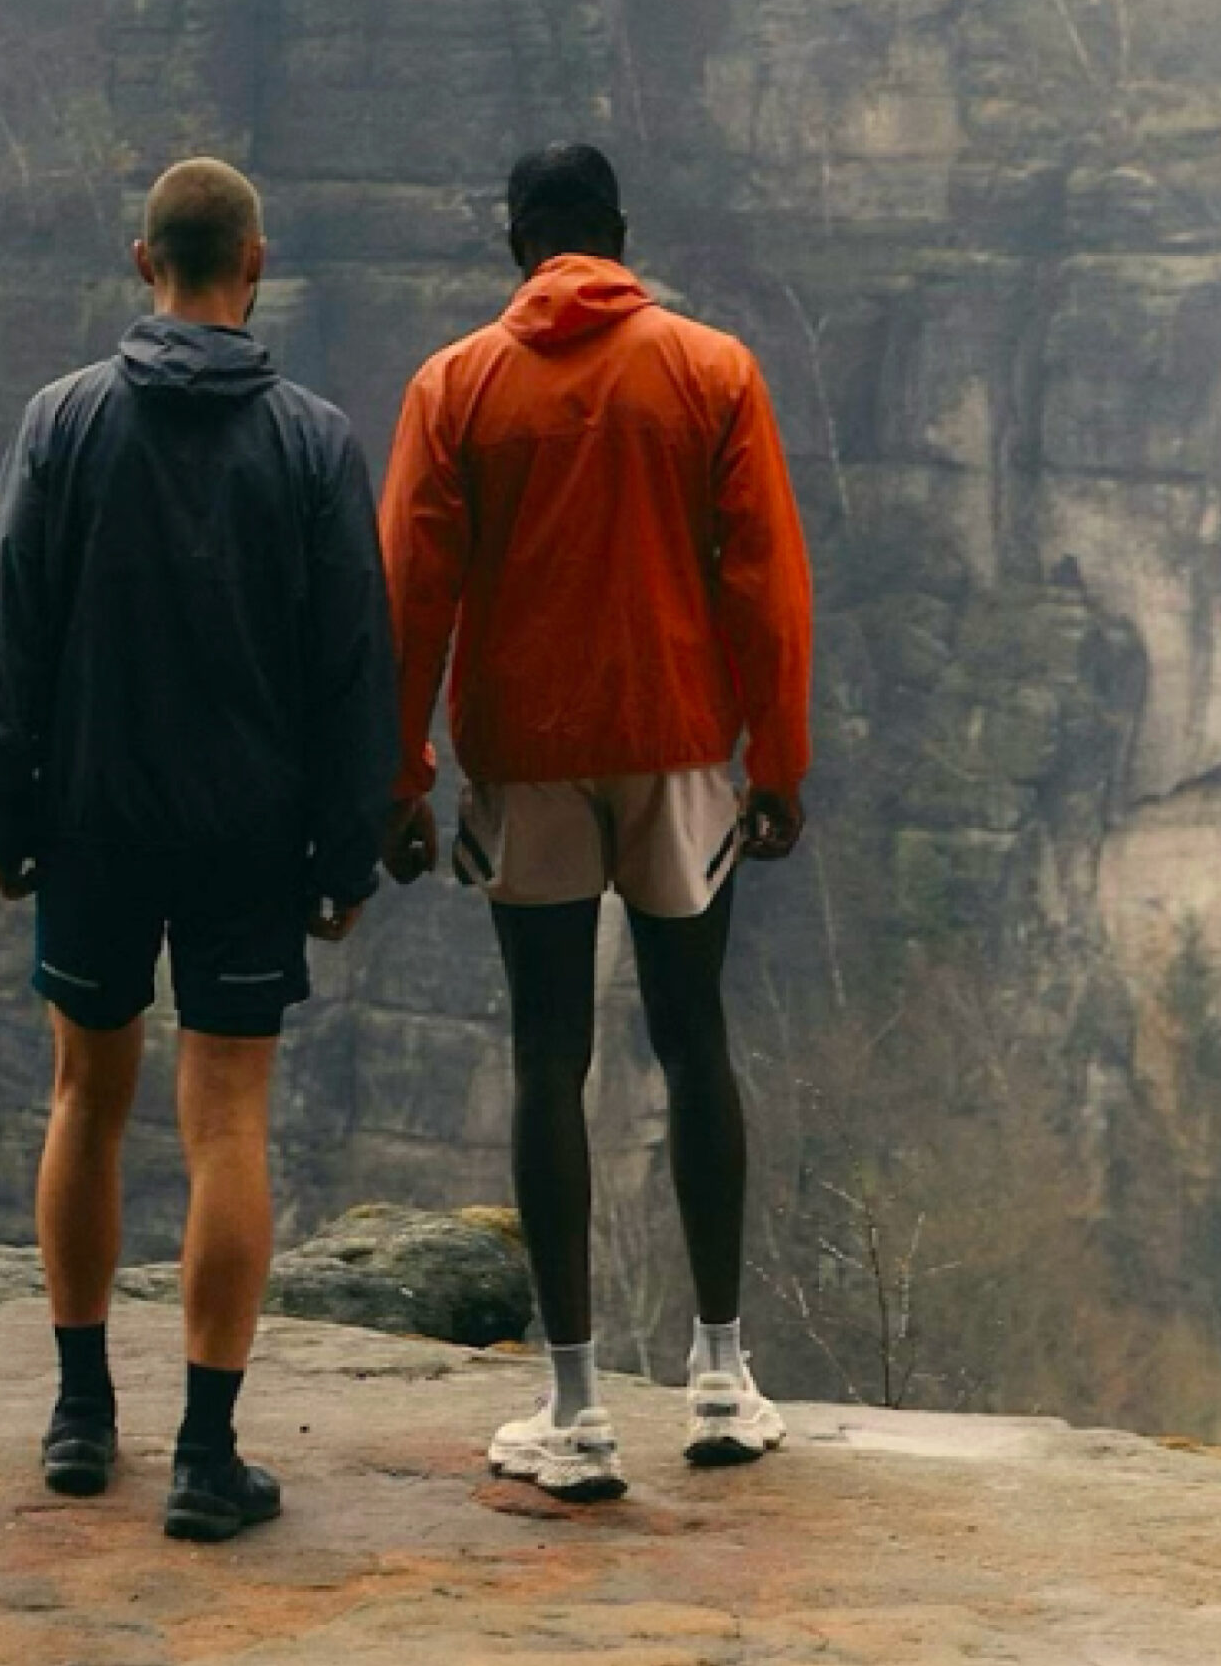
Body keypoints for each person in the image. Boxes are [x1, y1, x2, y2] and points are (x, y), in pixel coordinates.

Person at [0, 158, 397, 1543]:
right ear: (254, 263)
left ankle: (81, 1416)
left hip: (92, 818)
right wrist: (345, 852)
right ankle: (207, 1454)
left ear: (144, 260)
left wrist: (1, 815)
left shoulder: (63, 422)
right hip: (249, 834)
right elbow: (354, 665)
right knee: (228, 1123)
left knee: (85, 1097)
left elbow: (7, 631)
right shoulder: (314, 443)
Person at [379, 144, 814, 1501]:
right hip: (679, 744)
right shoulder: (712, 370)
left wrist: (401, 775)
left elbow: (411, 595)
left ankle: (573, 1408)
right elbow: (766, 582)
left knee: (547, 1054)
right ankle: (722, 1376)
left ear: (516, 243)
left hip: (528, 760)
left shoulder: (455, 387)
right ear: (619, 235)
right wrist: (777, 758)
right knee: (695, 1041)